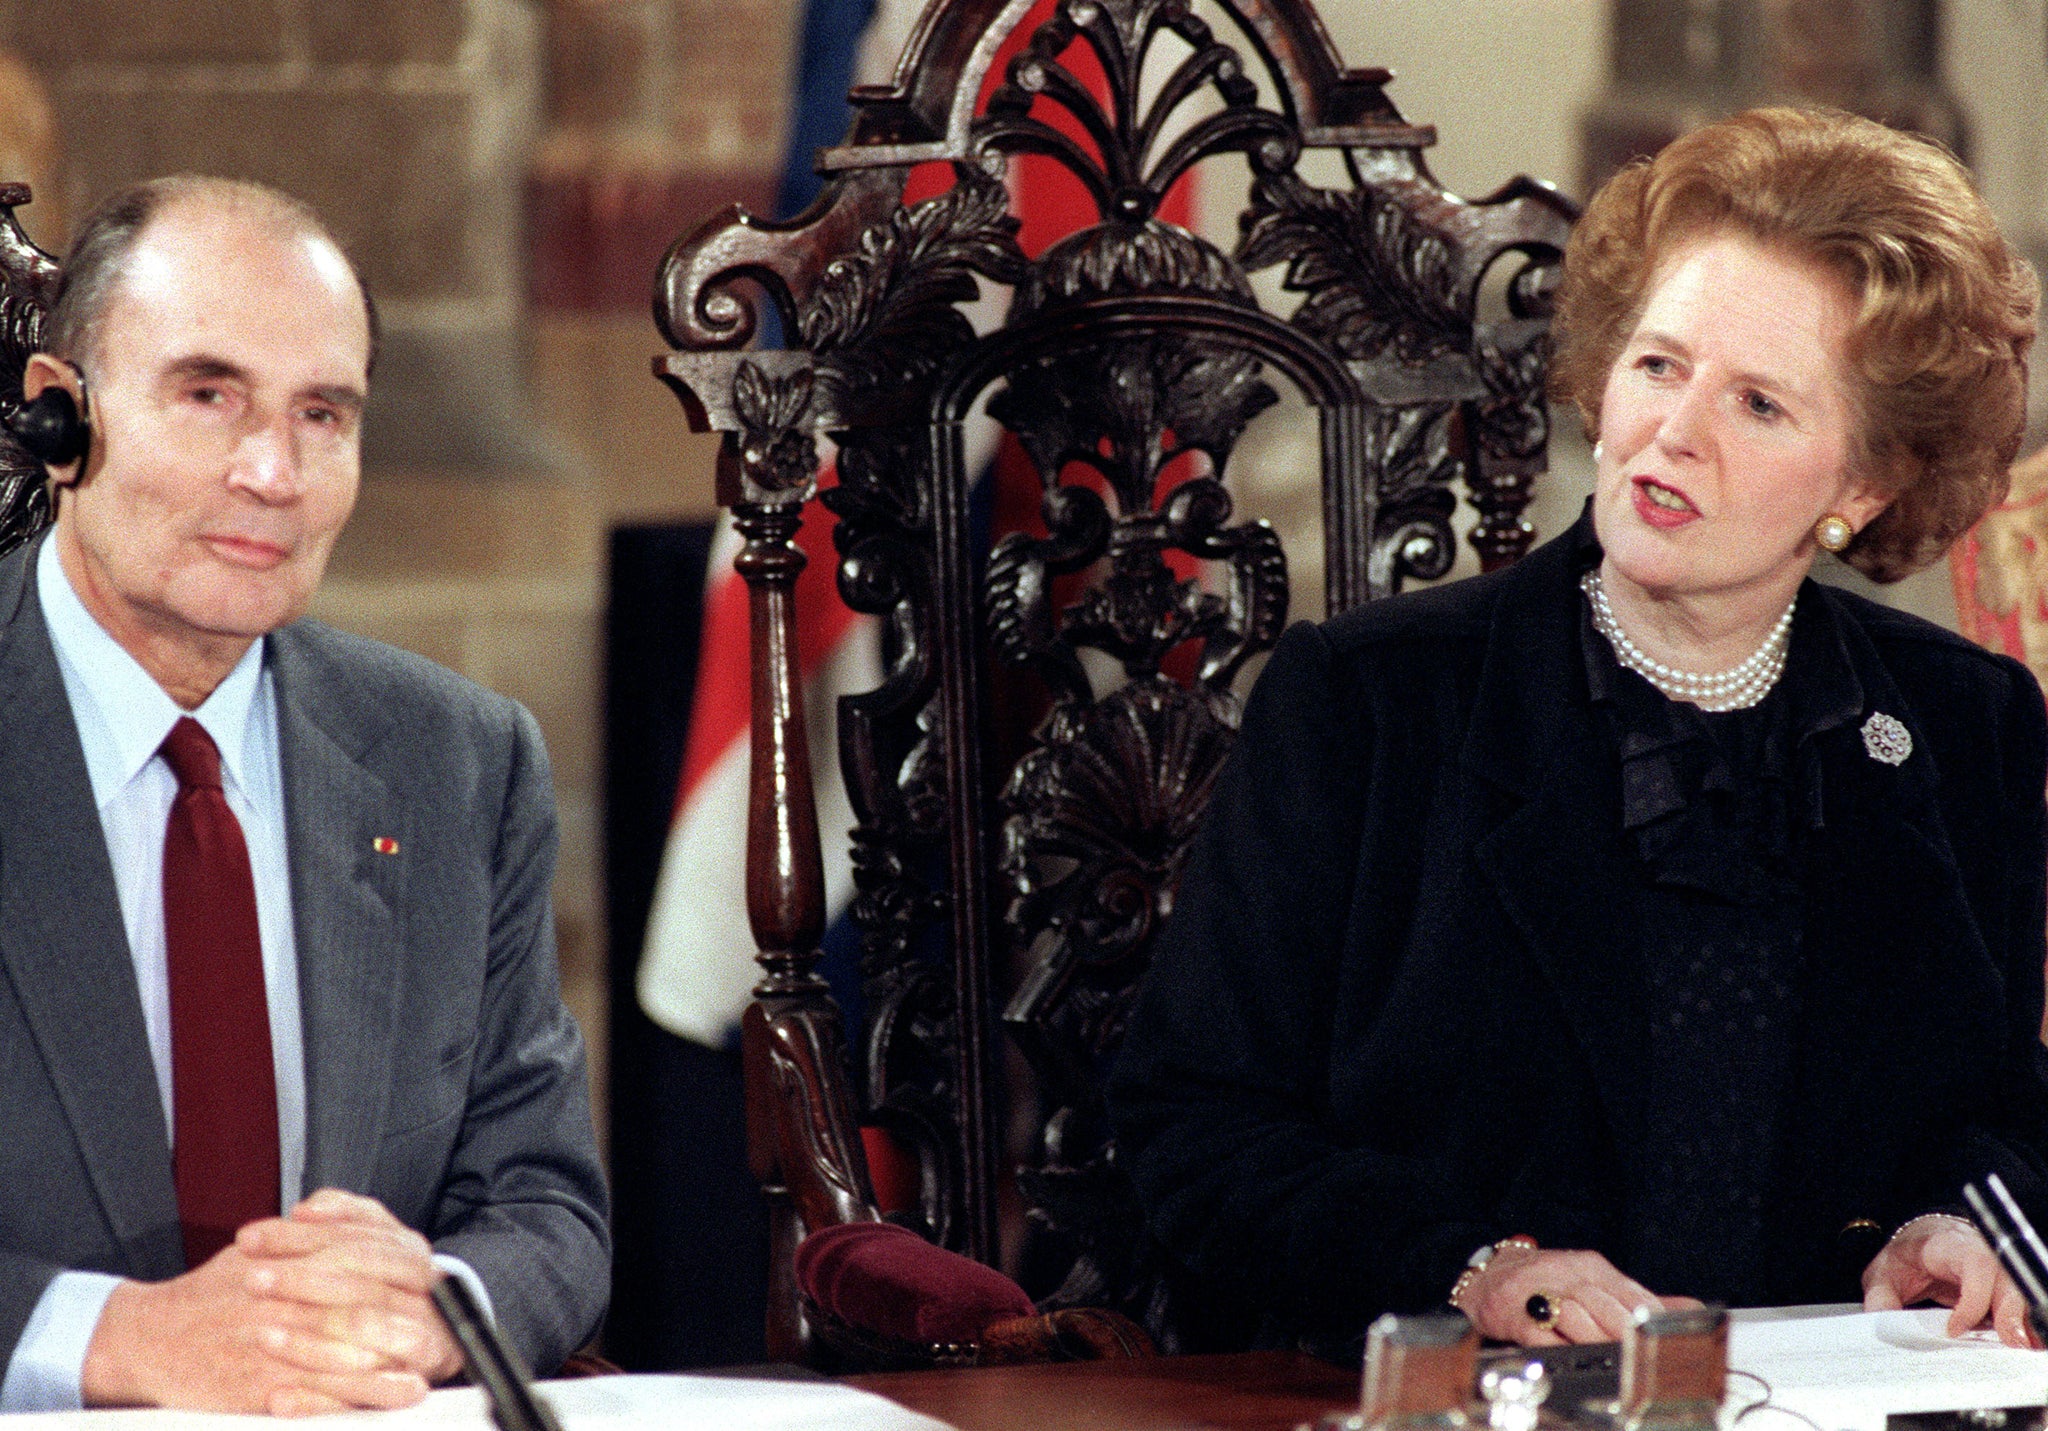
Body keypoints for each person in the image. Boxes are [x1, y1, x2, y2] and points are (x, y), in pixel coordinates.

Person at [1108, 107, 2048, 1354]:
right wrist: (1469, 1272)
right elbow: (1190, 1124)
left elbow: (2006, 1110)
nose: (1674, 431)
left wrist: (1964, 1218)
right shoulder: (1367, 702)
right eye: (1657, 365)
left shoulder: (1955, 725)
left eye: (1758, 404)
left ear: (1861, 484)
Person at [0, 176, 609, 1413]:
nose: (274, 472)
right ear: (60, 420)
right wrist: (118, 1339)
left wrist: (428, 1309)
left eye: (322, 413)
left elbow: (545, 1206)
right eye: (209, 395)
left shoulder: (462, 762)